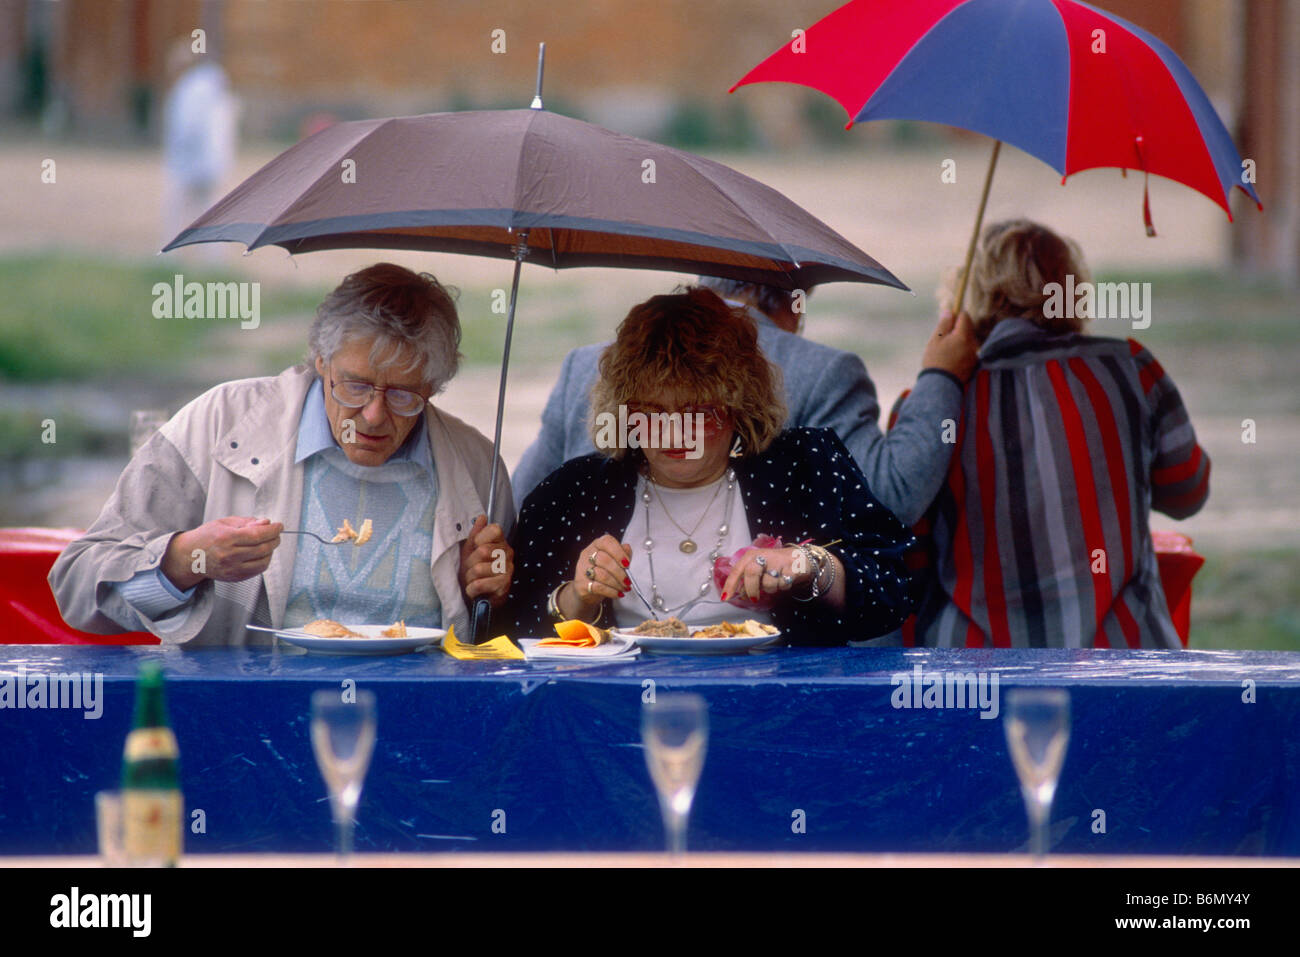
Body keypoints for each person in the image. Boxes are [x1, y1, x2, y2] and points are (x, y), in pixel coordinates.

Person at [50, 264, 514, 646]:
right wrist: (184, 559)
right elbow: (76, 588)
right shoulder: (218, 424)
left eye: (403, 395)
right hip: (241, 722)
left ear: (432, 388)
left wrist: (488, 595)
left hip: (417, 726)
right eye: (354, 385)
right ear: (320, 361)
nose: (373, 415)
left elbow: (502, 643)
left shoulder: (476, 467)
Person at [508, 287, 916, 644]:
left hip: (781, 708)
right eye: (652, 412)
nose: (673, 434)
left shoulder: (807, 466)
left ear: (739, 407)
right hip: (618, 712)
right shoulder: (573, 493)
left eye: (697, 412)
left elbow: (893, 593)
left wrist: (809, 565)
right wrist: (579, 598)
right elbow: (511, 631)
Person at [911, 220, 1210, 648]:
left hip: (974, 674)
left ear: (969, 294)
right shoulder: (1132, 368)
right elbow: (1188, 492)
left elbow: (909, 557)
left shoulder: (935, 400)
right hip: (1124, 662)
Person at [511, 277, 977, 525]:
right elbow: (890, 499)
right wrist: (941, 374)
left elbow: (516, 507)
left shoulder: (583, 363)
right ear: (795, 303)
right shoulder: (824, 371)